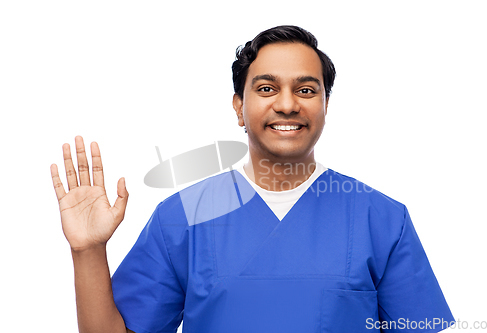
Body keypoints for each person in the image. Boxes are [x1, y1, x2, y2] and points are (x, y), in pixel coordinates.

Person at [51, 25, 454, 333]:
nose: (286, 104)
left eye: (306, 89)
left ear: (326, 106)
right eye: (266, 88)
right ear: (239, 108)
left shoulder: (381, 219)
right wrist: (87, 251)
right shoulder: (183, 217)